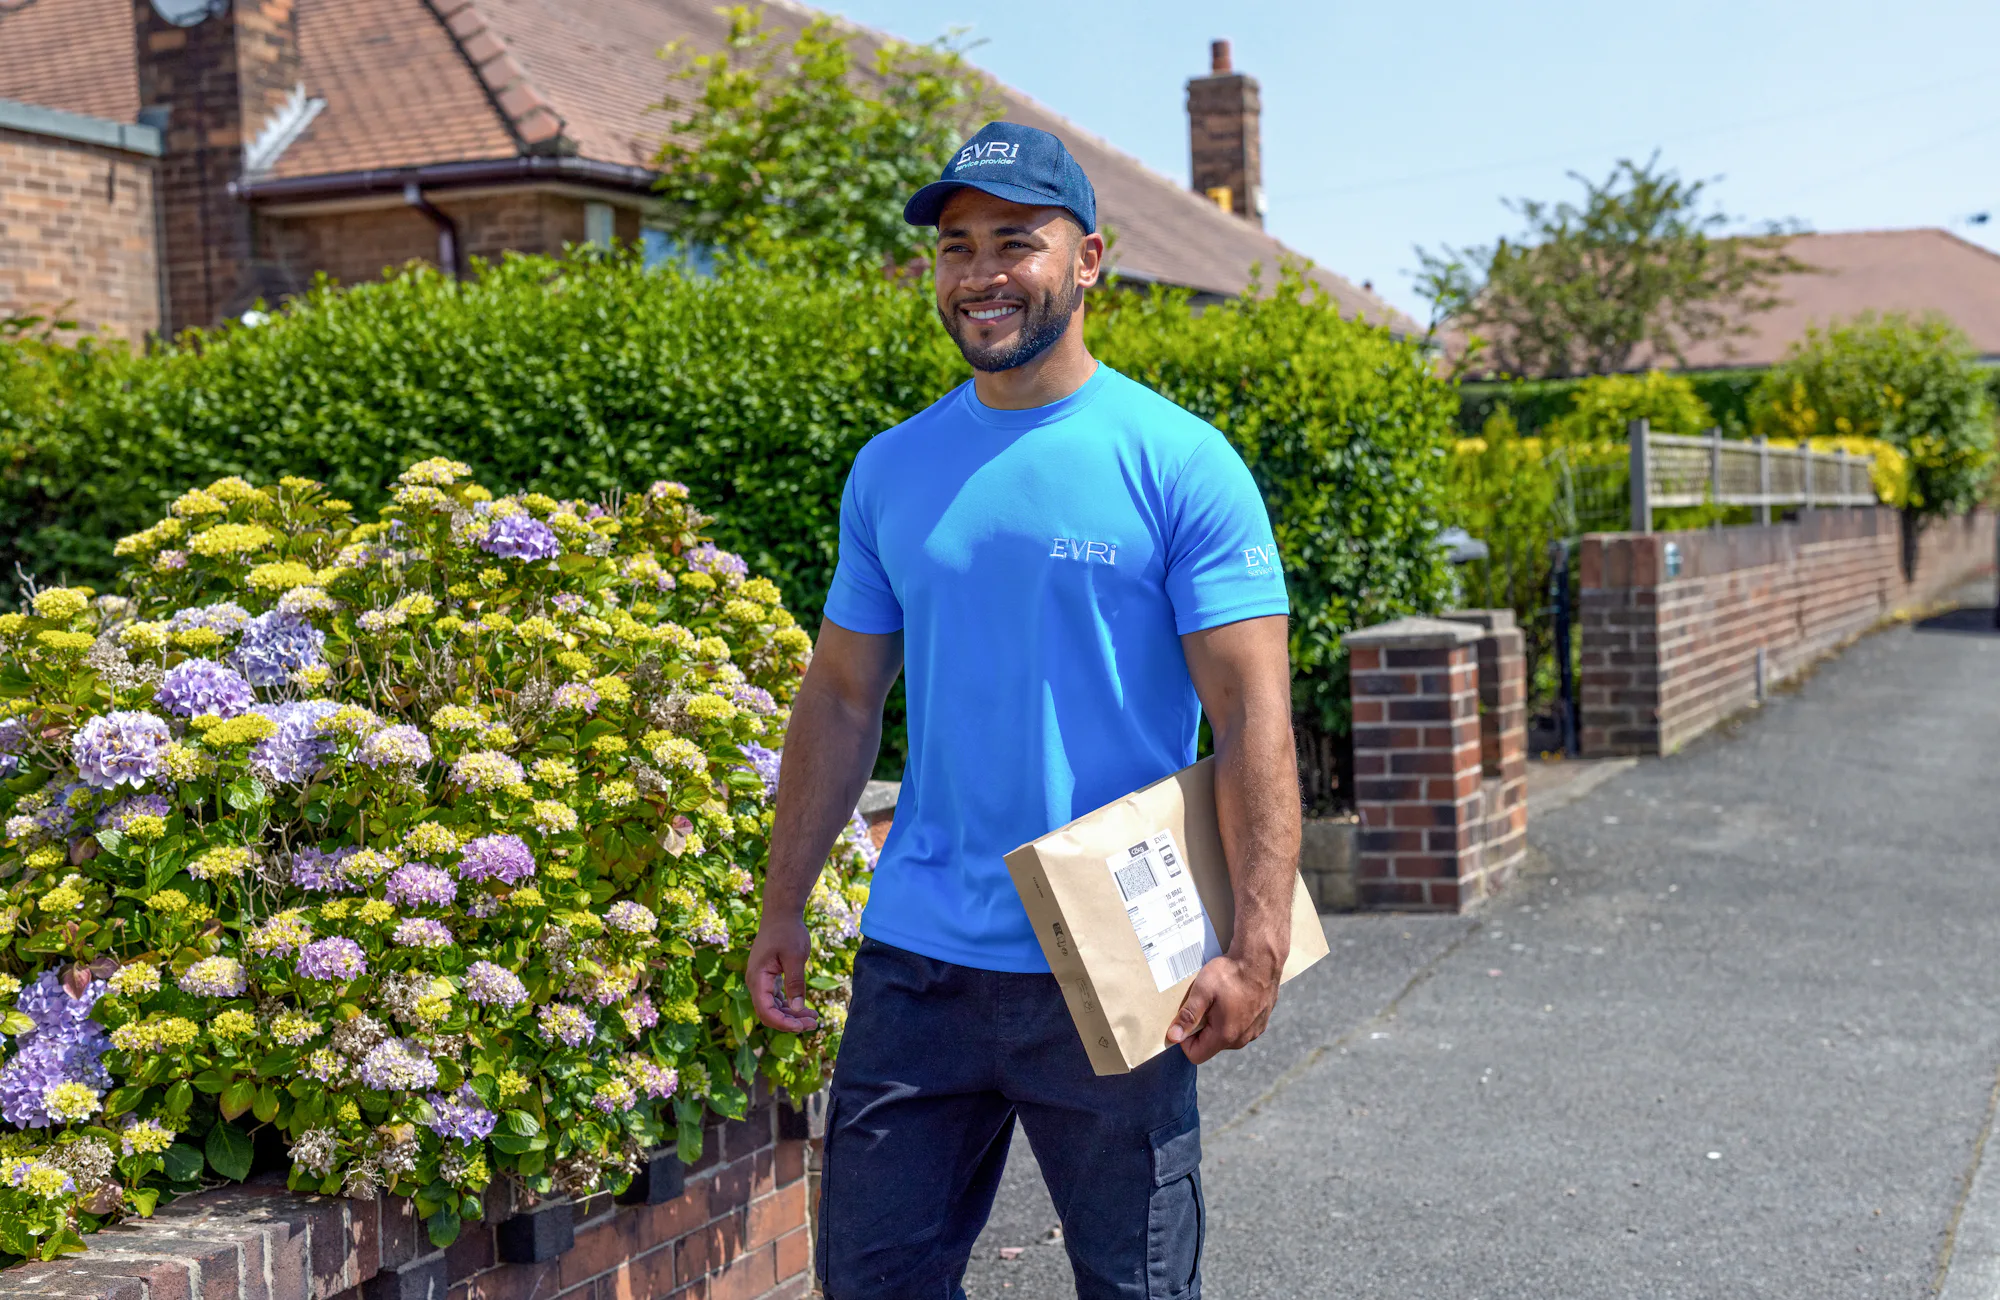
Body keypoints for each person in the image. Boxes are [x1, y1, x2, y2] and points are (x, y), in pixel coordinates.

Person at [746, 120, 1302, 1300]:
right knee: (871, 1286)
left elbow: (1253, 714)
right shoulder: (891, 467)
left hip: (1111, 961)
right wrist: (783, 900)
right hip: (917, 963)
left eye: (1016, 241)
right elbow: (843, 696)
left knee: (1136, 1289)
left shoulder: (1179, 461)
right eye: (956, 247)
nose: (981, 274)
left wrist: (1254, 947)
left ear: (1088, 259)